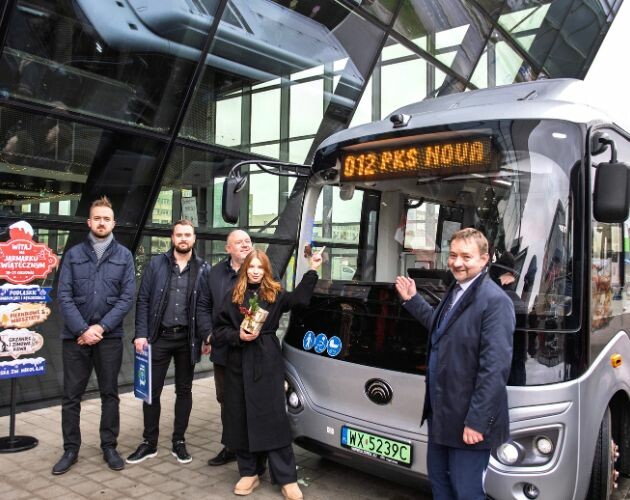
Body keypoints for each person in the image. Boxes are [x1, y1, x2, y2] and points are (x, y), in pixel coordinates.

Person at [395, 228, 515, 500]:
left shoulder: (495, 302)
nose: (457, 262)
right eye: (452, 255)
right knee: (439, 483)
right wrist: (413, 300)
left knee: (467, 492)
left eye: (466, 257)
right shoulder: (456, 289)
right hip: (443, 415)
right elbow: (441, 330)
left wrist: (477, 422)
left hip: (468, 422)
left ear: (485, 259)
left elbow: (494, 369)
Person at [214, 249, 322, 500]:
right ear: (244, 269)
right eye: (251, 266)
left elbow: (301, 299)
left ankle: (286, 477)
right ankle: (249, 472)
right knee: (240, 416)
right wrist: (237, 335)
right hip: (238, 361)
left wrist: (313, 269)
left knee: (273, 418)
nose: (254, 271)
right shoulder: (232, 296)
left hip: (267, 360)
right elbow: (218, 331)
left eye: (259, 267)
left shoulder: (275, 293)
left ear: (266, 271)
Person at [54, 196, 135, 475]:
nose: (102, 222)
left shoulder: (124, 256)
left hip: (108, 338)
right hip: (75, 337)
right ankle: (70, 449)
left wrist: (100, 328)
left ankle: (109, 446)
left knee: (110, 394)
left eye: (106, 219)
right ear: (89, 222)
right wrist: (82, 330)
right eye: (97, 218)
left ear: (113, 223)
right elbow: (63, 295)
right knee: (71, 396)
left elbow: (126, 298)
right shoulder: (74, 254)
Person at [126, 219, 210, 465]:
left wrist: (206, 336)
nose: (183, 239)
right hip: (158, 338)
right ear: (172, 238)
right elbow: (143, 300)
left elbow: (206, 306)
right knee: (151, 393)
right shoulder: (156, 264)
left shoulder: (204, 268)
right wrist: (140, 333)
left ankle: (179, 442)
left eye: (188, 235)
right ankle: (149, 443)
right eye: (179, 235)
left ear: (194, 239)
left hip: (188, 339)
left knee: (184, 391)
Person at [197, 229, 252, 466]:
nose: (244, 245)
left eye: (248, 241)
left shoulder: (261, 268)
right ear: (228, 248)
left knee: (252, 398)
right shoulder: (215, 273)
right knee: (227, 400)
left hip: (252, 350)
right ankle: (231, 446)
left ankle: (255, 447)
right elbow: (203, 306)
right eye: (239, 242)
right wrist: (208, 335)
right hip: (224, 350)